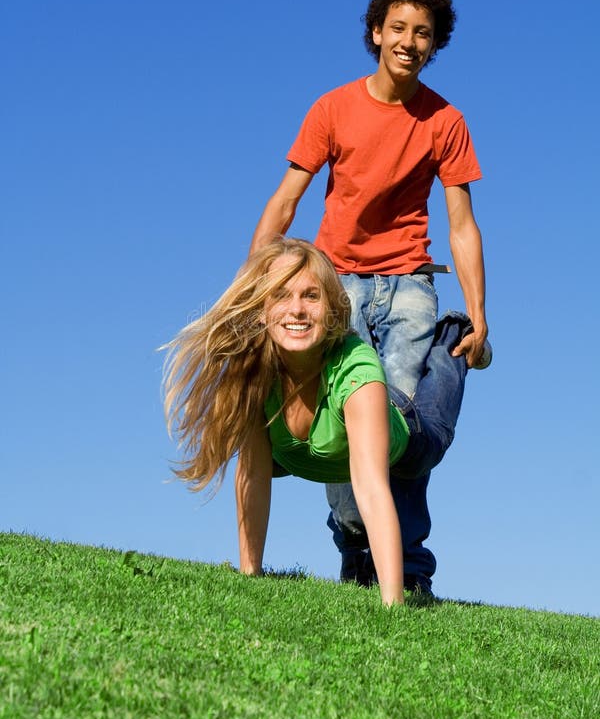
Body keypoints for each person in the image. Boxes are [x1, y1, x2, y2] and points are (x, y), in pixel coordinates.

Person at [249, 0, 489, 595]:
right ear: (377, 33)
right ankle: (358, 549)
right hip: (337, 284)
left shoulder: (446, 120)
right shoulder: (332, 108)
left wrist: (479, 312)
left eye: (424, 34)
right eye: (399, 28)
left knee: (392, 430)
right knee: (341, 412)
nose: (410, 42)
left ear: (435, 44)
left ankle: (406, 569)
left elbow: (462, 224)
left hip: (410, 285)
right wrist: (255, 287)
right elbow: (286, 202)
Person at [162, 238, 477, 607]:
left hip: (408, 437)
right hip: (327, 442)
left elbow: (372, 490)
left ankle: (454, 336)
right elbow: (253, 473)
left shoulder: (357, 368)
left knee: (436, 396)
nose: (297, 309)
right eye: (281, 295)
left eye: (311, 296)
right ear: (261, 310)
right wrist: (250, 575)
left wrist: (393, 607)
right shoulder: (254, 370)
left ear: (331, 310)